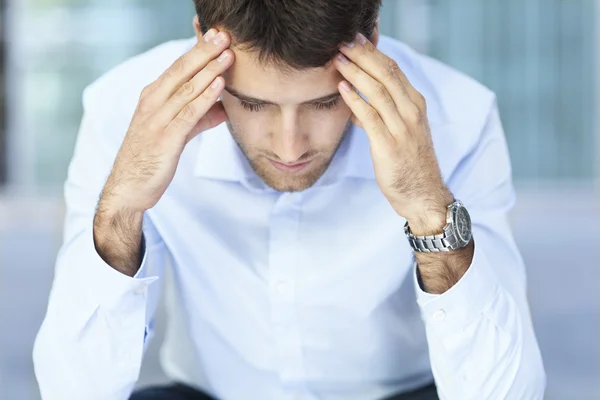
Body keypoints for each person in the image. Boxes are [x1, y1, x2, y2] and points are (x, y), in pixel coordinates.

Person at [32, 0, 546, 399]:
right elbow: (73, 391)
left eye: (324, 103)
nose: (290, 146)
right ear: (201, 44)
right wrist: (121, 211)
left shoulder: (461, 116)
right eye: (253, 104)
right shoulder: (121, 111)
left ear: (372, 42)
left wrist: (431, 211)